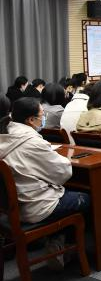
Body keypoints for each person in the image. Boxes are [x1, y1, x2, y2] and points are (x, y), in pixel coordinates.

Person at [0, 97, 90, 269]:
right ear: (30, 120)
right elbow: (63, 172)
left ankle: (56, 240)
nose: (44, 118)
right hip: (36, 207)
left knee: (67, 194)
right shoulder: (31, 141)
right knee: (85, 198)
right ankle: (62, 248)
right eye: (42, 115)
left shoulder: (6, 134)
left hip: (15, 208)